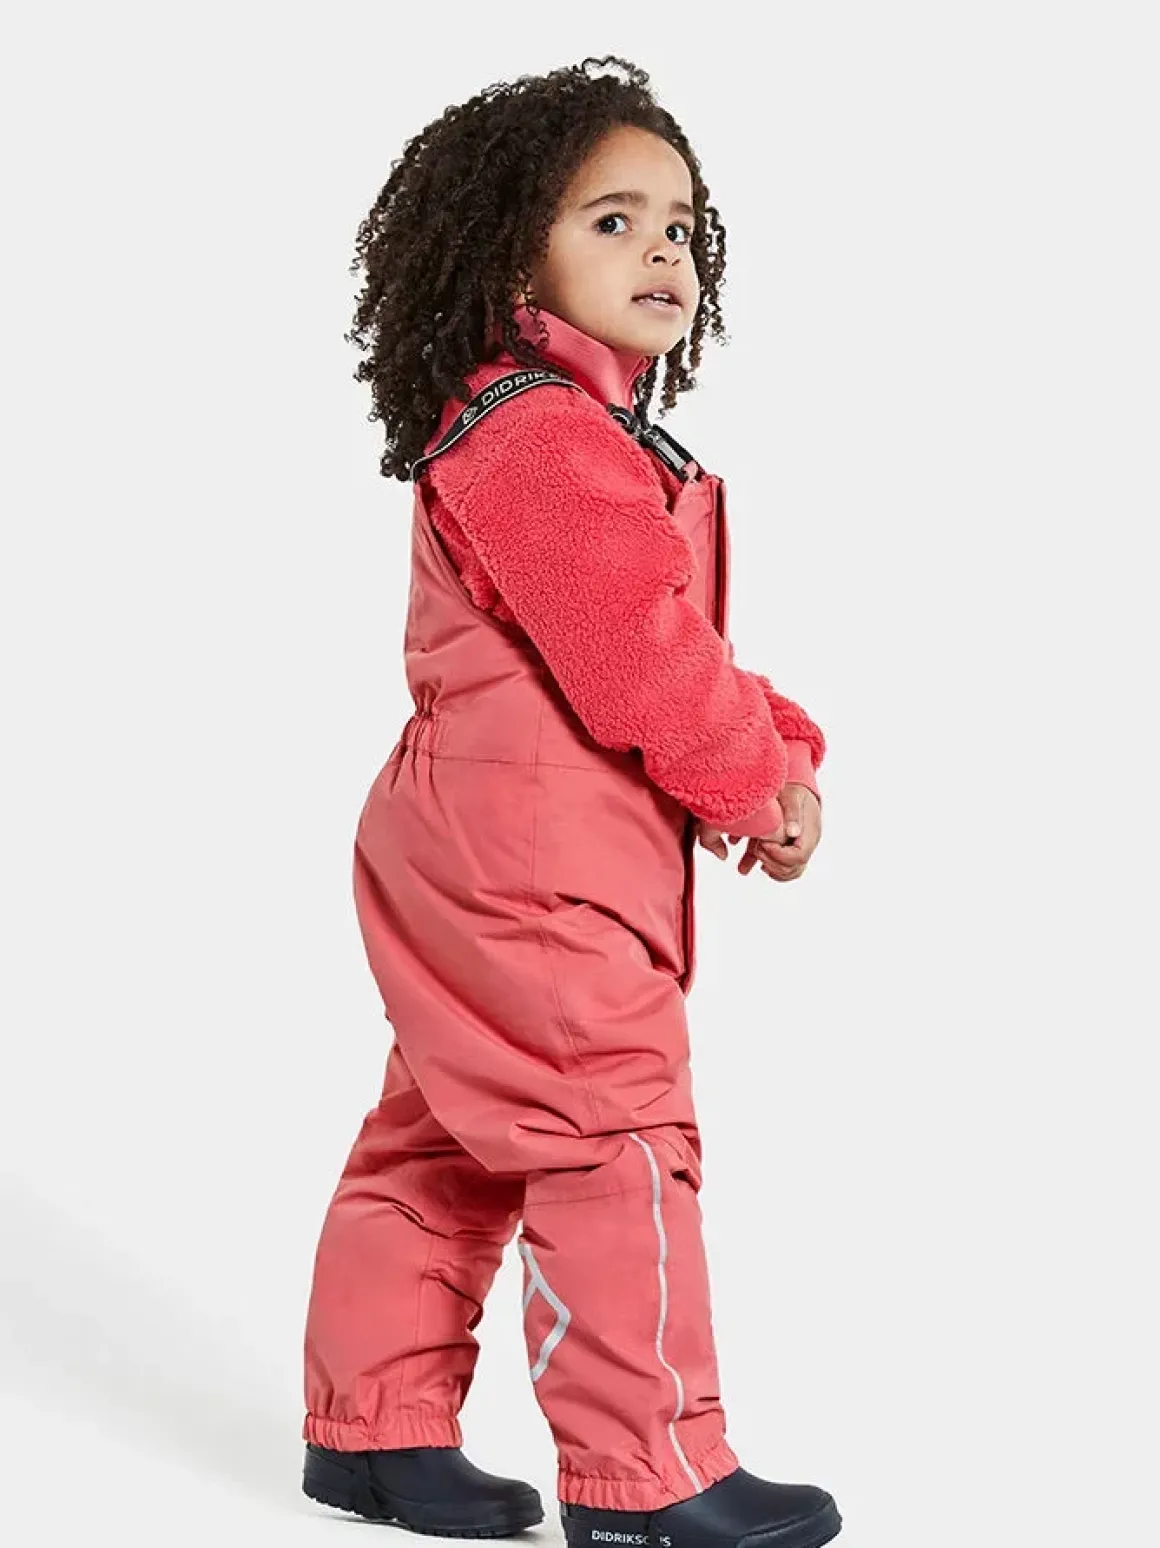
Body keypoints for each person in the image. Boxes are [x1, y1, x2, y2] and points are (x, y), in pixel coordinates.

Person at [300, 55, 842, 1548]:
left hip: (475, 835)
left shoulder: (542, 425)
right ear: (508, 252)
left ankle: (373, 1434)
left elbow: (646, 637)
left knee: (448, 1129)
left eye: (679, 225)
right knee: (611, 1136)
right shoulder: (543, 433)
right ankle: (649, 1476)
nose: (661, 250)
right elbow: (643, 667)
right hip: (537, 863)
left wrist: (774, 737)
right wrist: (762, 781)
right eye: (612, 220)